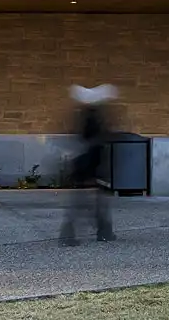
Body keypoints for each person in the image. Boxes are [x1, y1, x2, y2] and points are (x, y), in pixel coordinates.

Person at [60, 84, 117, 246]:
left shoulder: (84, 116)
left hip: (84, 167)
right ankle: (103, 232)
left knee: (84, 203)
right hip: (91, 166)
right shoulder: (94, 118)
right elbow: (95, 144)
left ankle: (101, 231)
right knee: (93, 203)